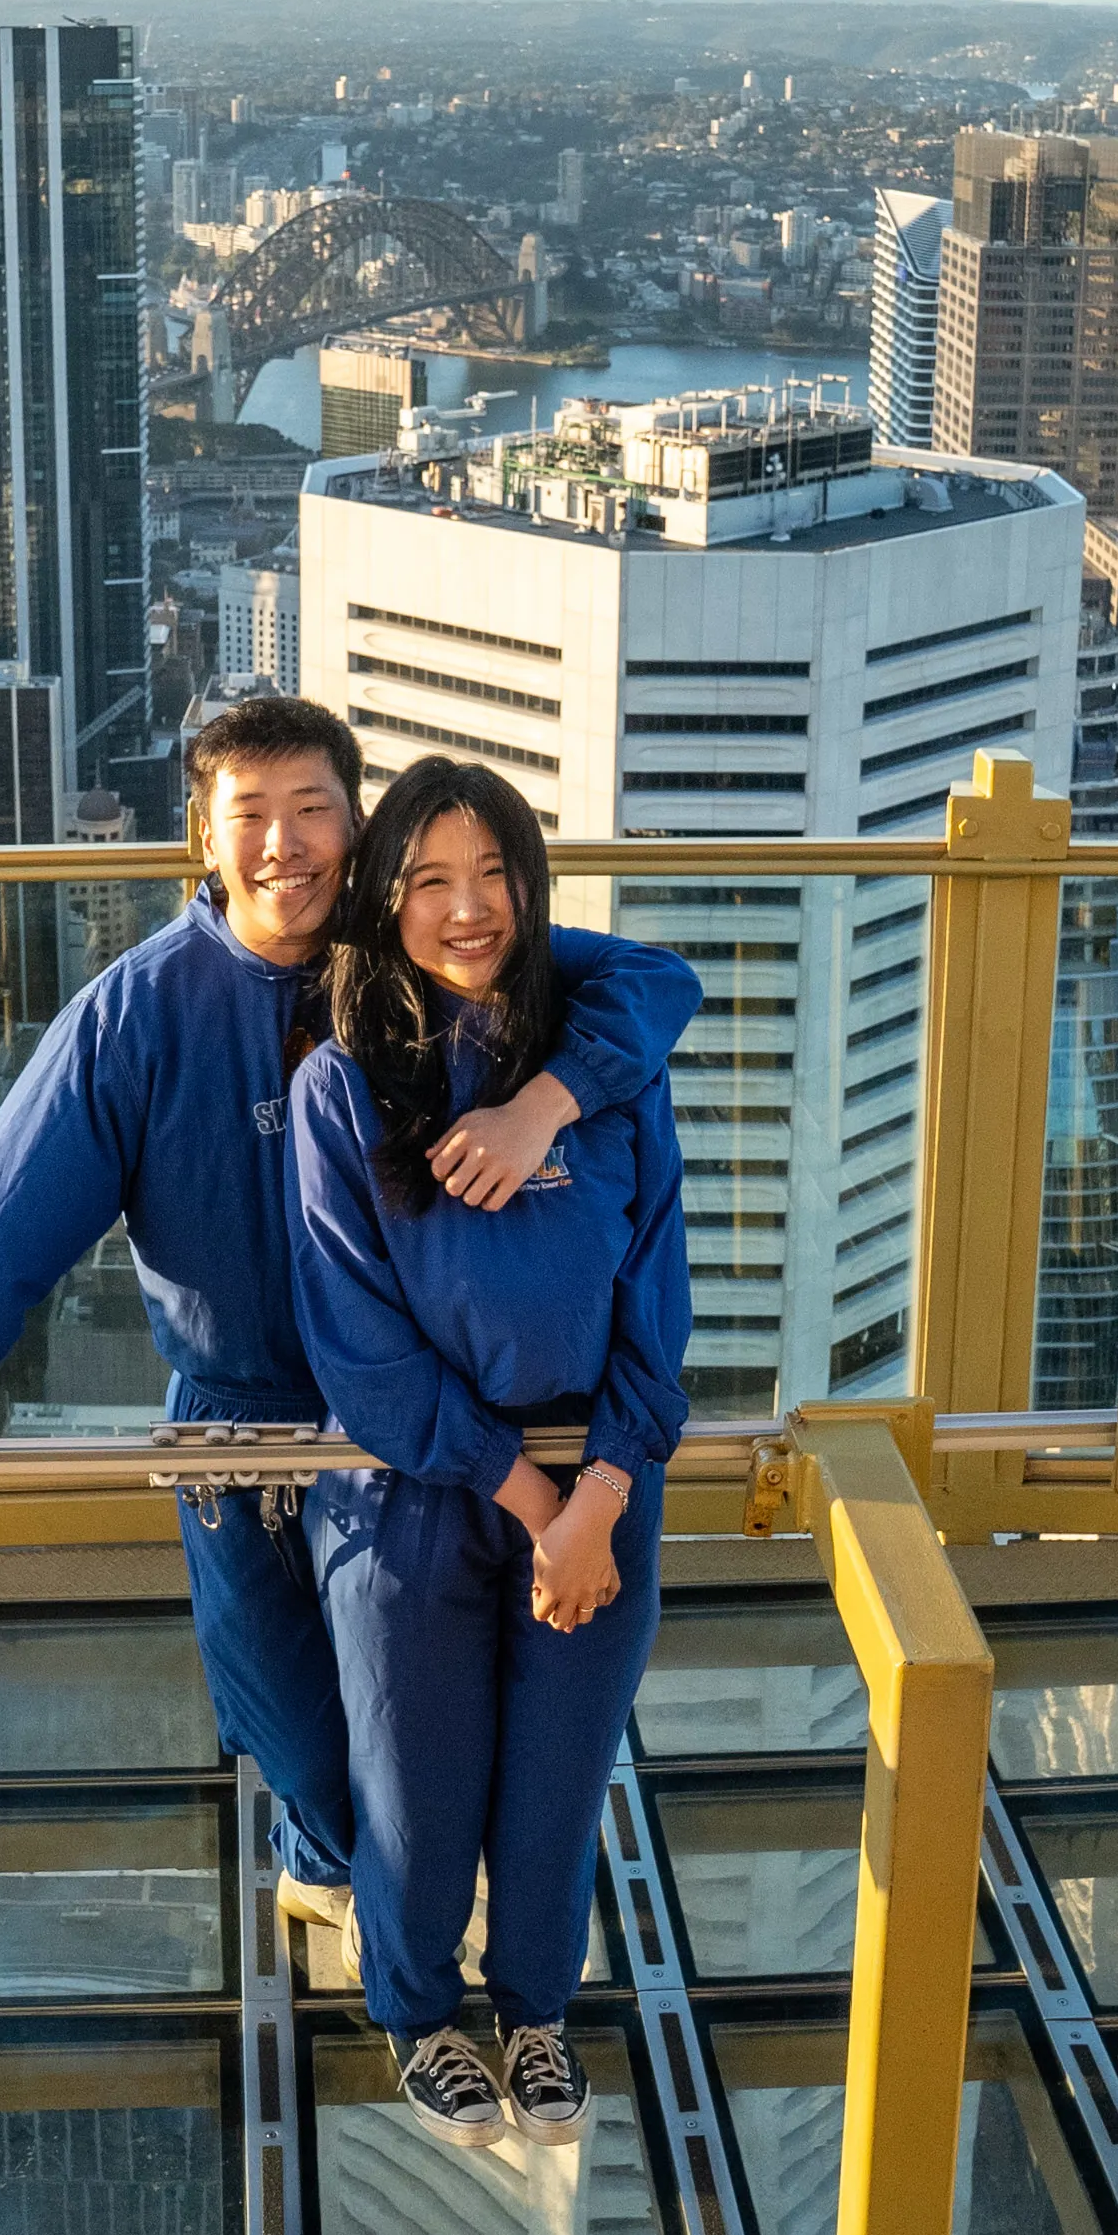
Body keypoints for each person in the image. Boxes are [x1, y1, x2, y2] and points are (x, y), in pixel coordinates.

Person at [0, 698, 700, 1936]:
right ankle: (343, 1882)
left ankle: (429, 1933)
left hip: (423, 1425)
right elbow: (3, 1220)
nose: (283, 846)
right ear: (203, 837)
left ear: (359, 829)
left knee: (430, 1720)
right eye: (250, 816)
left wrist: (549, 1102)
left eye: (313, 812)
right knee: (291, 1712)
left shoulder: (429, 958)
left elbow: (655, 984)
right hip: (241, 1422)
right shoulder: (140, 1014)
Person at [288, 757, 689, 2148]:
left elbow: (659, 1301)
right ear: (386, 901)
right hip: (418, 1495)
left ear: (533, 884)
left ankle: (532, 2011)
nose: (469, 910)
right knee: (418, 1778)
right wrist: (533, 1503)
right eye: (431, 881)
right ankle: (415, 2011)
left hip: (602, 1485)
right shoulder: (345, 1091)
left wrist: (603, 1495)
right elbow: (360, 1350)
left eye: (496, 874)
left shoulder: (603, 1070)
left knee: (559, 1778)